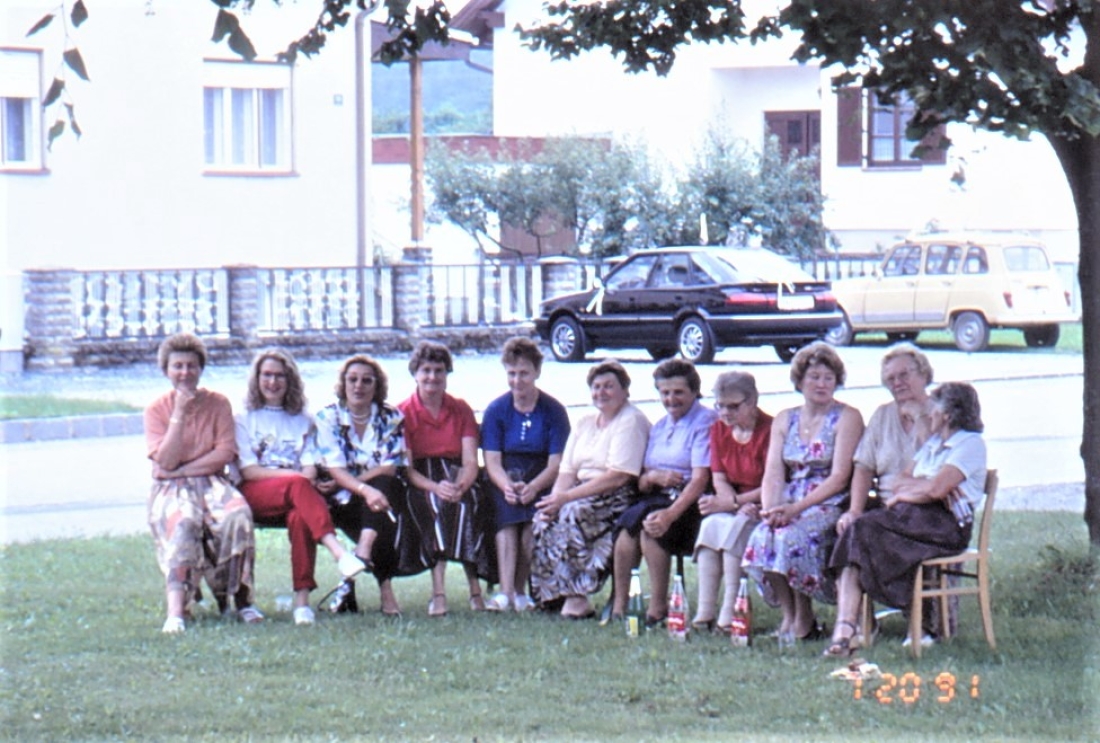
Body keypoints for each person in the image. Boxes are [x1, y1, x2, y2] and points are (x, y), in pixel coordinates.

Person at [825, 382, 987, 655]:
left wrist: (907, 495)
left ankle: (848, 629)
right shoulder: (935, 443)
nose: (929, 414)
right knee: (850, 530)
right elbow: (902, 481)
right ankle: (846, 628)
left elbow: (936, 490)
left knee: (864, 527)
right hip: (914, 518)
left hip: (944, 526)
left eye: (933, 409)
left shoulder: (970, 444)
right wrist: (919, 489)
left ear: (947, 414)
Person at [234, 348, 367, 626]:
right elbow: (249, 470)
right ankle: (339, 552)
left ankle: (302, 603)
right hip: (256, 494)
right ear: (257, 379)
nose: (273, 382)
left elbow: (308, 468)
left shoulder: (303, 420)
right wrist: (290, 476)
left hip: (296, 496)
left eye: (280, 376)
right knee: (297, 485)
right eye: (267, 375)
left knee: (300, 516)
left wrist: (297, 477)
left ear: (290, 380)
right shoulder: (244, 419)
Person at [741, 342, 864, 642]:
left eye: (828, 378)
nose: (822, 384)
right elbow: (773, 472)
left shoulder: (847, 417)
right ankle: (791, 615)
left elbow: (839, 477)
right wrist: (771, 509)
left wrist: (795, 511)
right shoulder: (785, 418)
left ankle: (804, 619)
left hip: (827, 500)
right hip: (789, 498)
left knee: (790, 536)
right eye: (814, 377)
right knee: (763, 535)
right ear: (799, 381)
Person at [144, 332, 260, 634]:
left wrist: (179, 470)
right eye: (178, 366)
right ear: (166, 370)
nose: (185, 373)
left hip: (212, 482)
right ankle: (177, 610)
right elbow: (165, 459)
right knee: (183, 522)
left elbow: (223, 453)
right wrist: (179, 414)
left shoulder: (218, 403)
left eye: (191, 366)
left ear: (200, 368)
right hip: (171, 489)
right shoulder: (156, 409)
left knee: (237, 515)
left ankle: (242, 599)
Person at [531, 359, 651, 619]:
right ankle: (551, 596)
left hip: (617, 495)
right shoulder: (585, 421)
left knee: (572, 512)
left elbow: (619, 476)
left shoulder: (631, 420)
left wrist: (566, 498)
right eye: (596, 387)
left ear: (625, 390)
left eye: (609, 386)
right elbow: (567, 470)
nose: (601, 392)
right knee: (543, 517)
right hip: (579, 490)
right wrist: (554, 500)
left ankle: (578, 598)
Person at [608, 359, 716, 625]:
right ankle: (620, 605)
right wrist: (654, 476)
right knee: (625, 530)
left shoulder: (705, 422)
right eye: (665, 392)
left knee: (651, 526)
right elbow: (643, 480)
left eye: (678, 392)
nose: (671, 399)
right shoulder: (659, 426)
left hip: (690, 502)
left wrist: (670, 514)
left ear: (694, 391)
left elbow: (701, 479)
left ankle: (658, 607)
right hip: (655, 496)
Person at [314, 354, 409, 617]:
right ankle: (384, 589)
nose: (359, 386)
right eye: (353, 379)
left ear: (377, 387)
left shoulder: (391, 417)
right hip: (338, 499)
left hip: (377, 493)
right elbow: (335, 469)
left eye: (367, 381)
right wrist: (364, 487)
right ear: (342, 383)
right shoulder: (327, 417)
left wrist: (362, 487)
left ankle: (361, 556)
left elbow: (390, 465)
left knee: (384, 489)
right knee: (378, 505)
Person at [481, 337, 571, 612]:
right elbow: (491, 460)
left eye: (523, 373)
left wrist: (534, 486)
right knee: (507, 520)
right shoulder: (497, 410)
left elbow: (557, 461)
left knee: (533, 522)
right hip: (504, 476)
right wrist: (507, 485)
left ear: (536, 373)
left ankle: (522, 591)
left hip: (542, 476)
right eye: (512, 373)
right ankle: (505, 593)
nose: (517, 380)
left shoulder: (553, 410)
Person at [398, 341, 487, 617]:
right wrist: (437, 487)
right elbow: (407, 468)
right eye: (426, 370)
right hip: (422, 479)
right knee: (436, 506)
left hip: (458, 474)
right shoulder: (403, 412)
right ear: (415, 373)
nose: (432, 377)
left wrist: (461, 485)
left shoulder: (460, 409)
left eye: (439, 370)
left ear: (447, 374)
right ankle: (438, 593)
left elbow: (471, 460)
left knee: (465, 506)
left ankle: (476, 590)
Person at [692, 371, 773, 632]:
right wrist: (729, 502)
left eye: (733, 406)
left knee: (736, 528)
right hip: (734, 501)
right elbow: (719, 476)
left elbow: (774, 482)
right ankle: (704, 613)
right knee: (711, 525)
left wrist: (734, 503)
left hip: (766, 502)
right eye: (720, 405)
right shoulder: (718, 430)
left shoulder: (770, 430)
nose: (725, 413)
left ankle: (730, 612)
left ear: (752, 402)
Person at [834, 343, 936, 539]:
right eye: (890, 379)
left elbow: (939, 460)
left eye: (904, 375)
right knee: (845, 525)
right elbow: (864, 467)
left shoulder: (942, 413)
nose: (897, 382)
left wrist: (919, 417)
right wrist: (855, 510)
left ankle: (854, 571)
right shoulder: (882, 415)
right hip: (887, 507)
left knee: (865, 534)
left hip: (928, 508)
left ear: (923, 375)